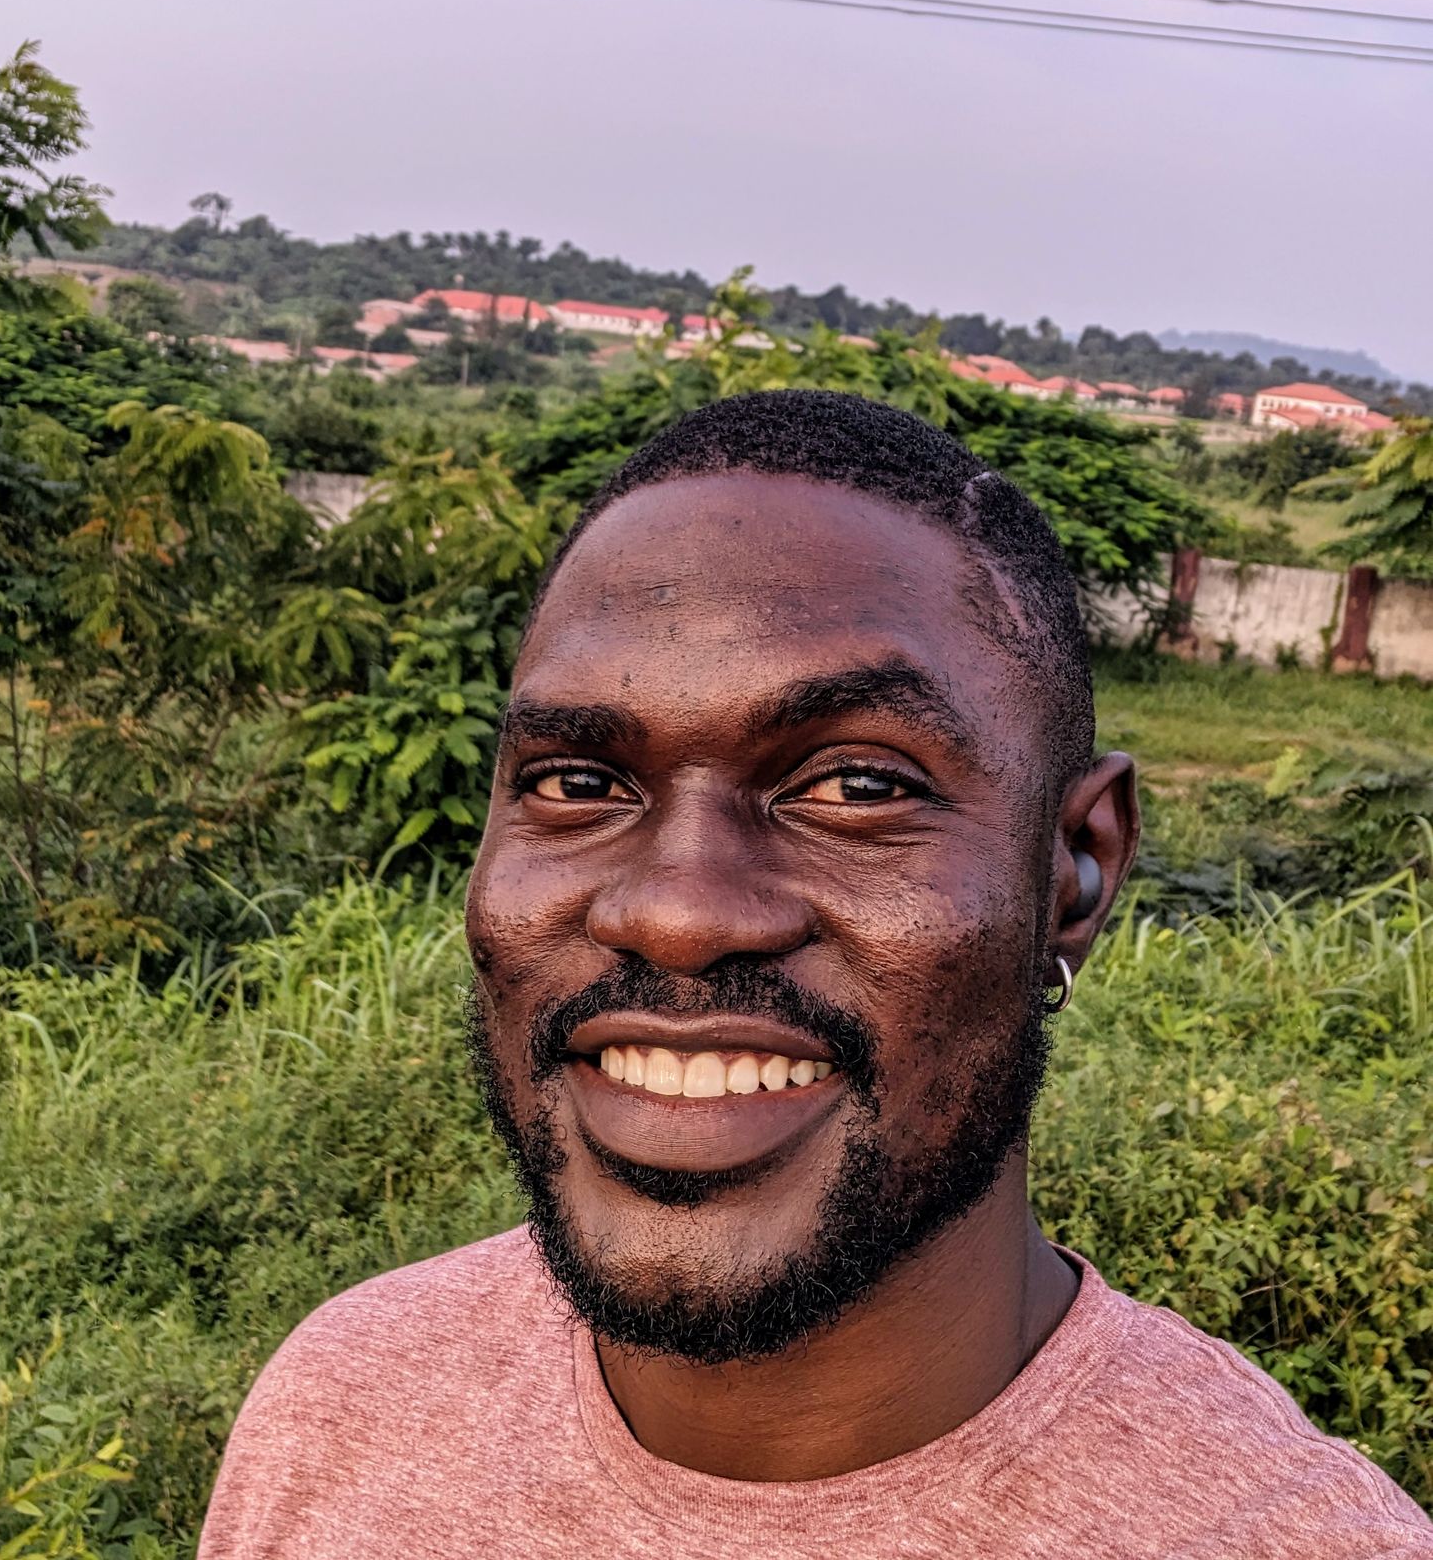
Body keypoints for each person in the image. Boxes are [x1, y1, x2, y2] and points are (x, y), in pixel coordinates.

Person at [201, 390, 1432, 1558]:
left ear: (1077, 871)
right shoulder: (345, 1398)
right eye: (578, 783)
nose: (678, 914)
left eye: (857, 785)